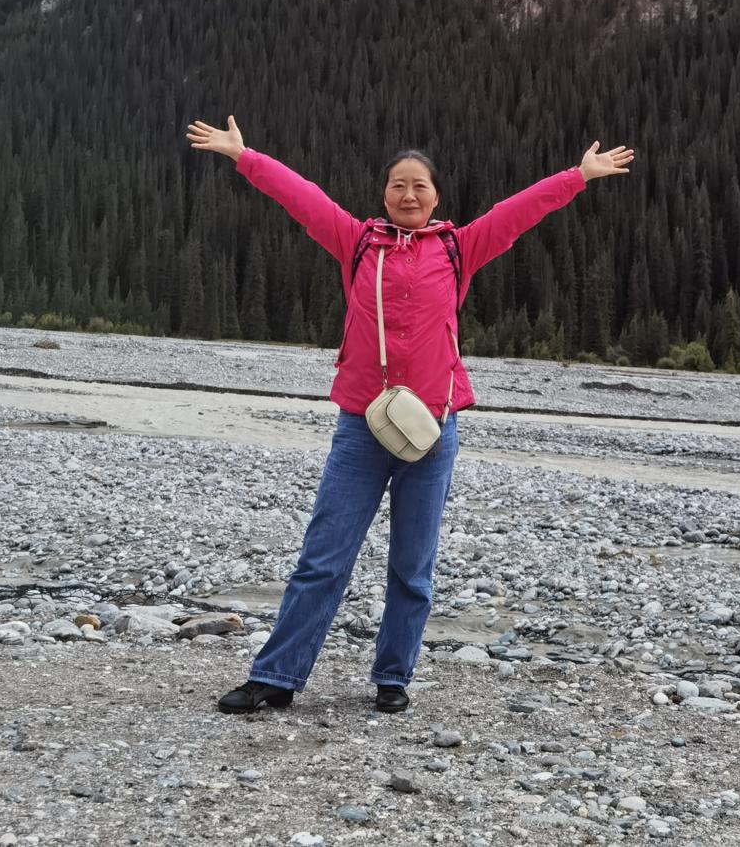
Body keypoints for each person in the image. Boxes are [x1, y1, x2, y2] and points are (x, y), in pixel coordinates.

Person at [183, 115, 634, 715]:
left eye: (420, 185)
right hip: (361, 427)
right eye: (399, 184)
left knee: (412, 566)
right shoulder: (356, 241)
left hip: (433, 428)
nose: (409, 194)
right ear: (384, 193)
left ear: (436, 196)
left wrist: (577, 176)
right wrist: (246, 158)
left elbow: (517, 213)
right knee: (323, 559)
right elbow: (303, 198)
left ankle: (393, 678)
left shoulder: (459, 248)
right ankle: (277, 677)